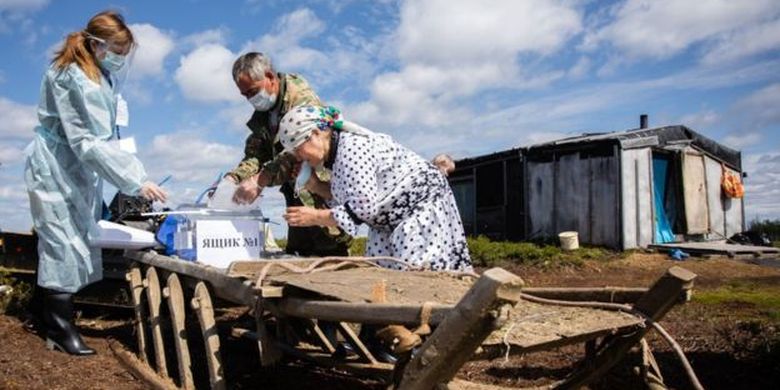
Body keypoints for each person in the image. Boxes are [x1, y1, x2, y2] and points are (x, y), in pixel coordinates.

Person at [24, 11, 167, 356]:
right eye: (117, 50)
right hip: (55, 168)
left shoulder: (97, 74)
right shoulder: (72, 76)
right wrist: (136, 179)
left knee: (69, 238)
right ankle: (60, 330)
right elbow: (87, 140)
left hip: (74, 170)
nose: (121, 58)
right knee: (62, 242)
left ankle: (39, 315)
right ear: (98, 43)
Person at [281, 106, 472, 272]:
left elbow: (362, 209)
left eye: (298, 148)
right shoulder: (335, 157)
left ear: (315, 134)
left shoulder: (351, 150)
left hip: (419, 208)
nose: (298, 156)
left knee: (415, 278)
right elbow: (350, 196)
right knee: (383, 277)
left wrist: (314, 217)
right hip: (389, 220)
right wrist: (315, 185)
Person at [223, 53, 350, 256]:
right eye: (244, 94)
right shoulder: (263, 117)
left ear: (270, 77)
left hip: (319, 191)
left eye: (252, 91)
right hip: (295, 192)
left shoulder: (302, 99)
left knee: (329, 256)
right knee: (297, 254)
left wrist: (260, 180)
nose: (249, 99)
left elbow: (298, 152)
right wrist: (234, 178)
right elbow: (256, 155)